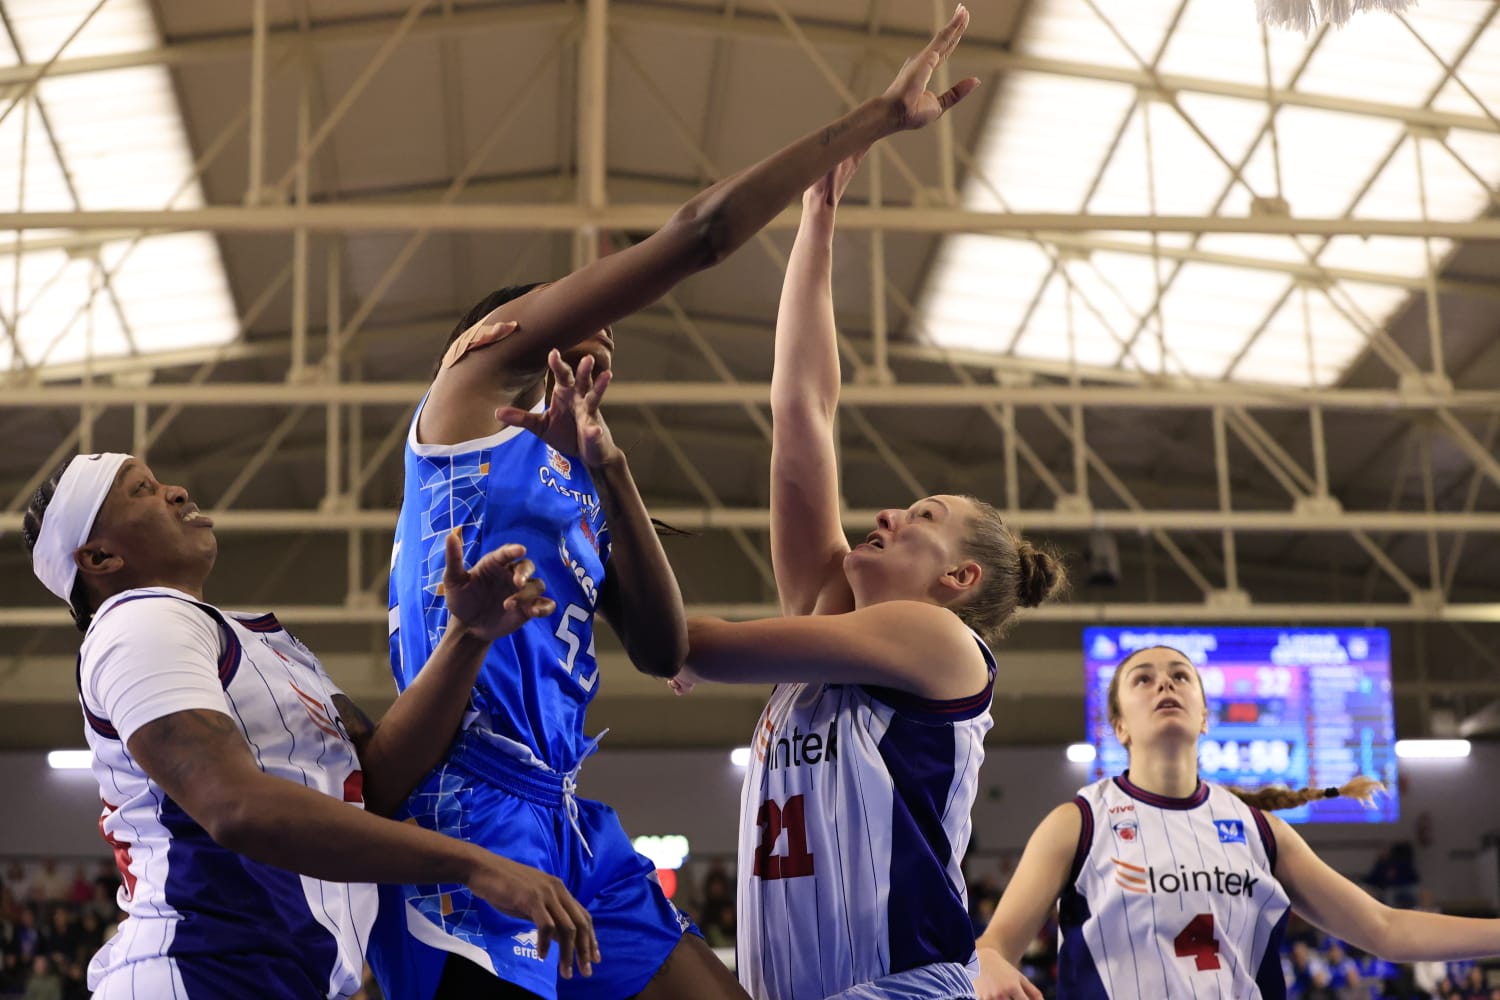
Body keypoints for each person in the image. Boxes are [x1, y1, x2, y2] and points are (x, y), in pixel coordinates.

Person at [372, 7, 989, 1000]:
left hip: (566, 813)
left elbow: (663, 650)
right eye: (589, 336)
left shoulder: (578, 474)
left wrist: (612, 471)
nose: (601, 360)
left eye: (611, 362)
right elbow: (700, 236)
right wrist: (867, 122)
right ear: (506, 331)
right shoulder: (468, 392)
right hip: (466, 806)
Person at [665, 123, 1066, 998]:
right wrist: (818, 217)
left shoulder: (939, 644)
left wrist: (643, 609)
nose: (885, 513)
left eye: (920, 518)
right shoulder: (823, 612)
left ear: (957, 580)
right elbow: (803, 410)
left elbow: (710, 645)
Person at [21, 452, 598, 999]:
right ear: (99, 560)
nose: (176, 491)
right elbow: (234, 806)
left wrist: (466, 638)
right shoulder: (136, 622)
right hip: (199, 971)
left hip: (274, 975)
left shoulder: (251, 639)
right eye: (142, 490)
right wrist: (474, 863)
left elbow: (375, 781)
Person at [972, 645, 1500, 1000]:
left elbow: (1386, 929)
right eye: (1143, 679)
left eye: (1181, 676)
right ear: (1119, 726)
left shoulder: (1260, 831)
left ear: (1204, 716)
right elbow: (994, 946)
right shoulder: (1079, 822)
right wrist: (989, 963)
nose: (1165, 685)